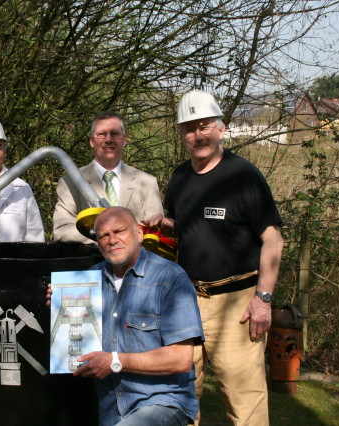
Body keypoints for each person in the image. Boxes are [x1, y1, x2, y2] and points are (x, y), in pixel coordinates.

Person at [146, 90, 284, 425]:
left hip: (236, 303)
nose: (198, 135)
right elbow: (189, 229)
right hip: (186, 299)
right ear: (181, 135)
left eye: (204, 125)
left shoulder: (243, 176)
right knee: (180, 390)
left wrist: (263, 299)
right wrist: (167, 226)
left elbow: (273, 239)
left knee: (243, 397)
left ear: (221, 129)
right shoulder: (179, 178)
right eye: (189, 128)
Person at [48, 207, 204, 426]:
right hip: (111, 410)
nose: (112, 240)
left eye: (119, 231)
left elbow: (181, 359)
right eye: (103, 235)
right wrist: (60, 306)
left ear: (139, 234)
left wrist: (114, 361)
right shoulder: (88, 281)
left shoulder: (170, 277)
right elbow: (76, 345)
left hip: (163, 401)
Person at [53, 111, 163, 243]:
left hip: (136, 262)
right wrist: (103, 235)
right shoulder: (69, 182)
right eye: (101, 134)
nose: (108, 140)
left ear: (124, 140)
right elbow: (61, 231)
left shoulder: (147, 182)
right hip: (90, 262)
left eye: (115, 133)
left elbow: (155, 233)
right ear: (92, 141)